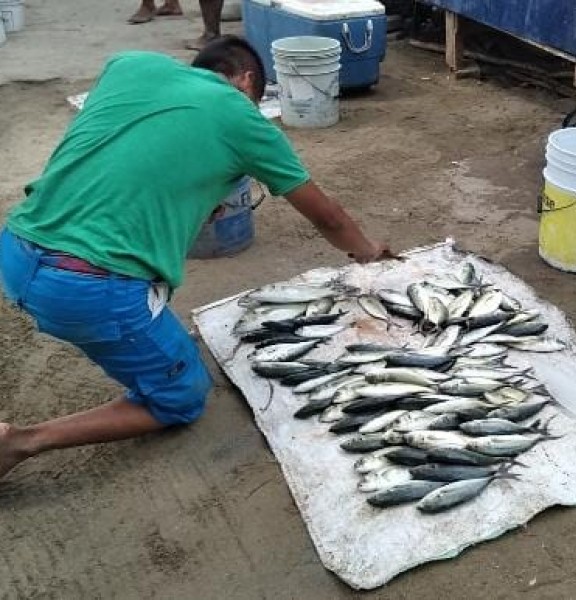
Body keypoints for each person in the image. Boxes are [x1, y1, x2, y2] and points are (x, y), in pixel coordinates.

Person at [0, 36, 390, 480]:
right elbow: (329, 217)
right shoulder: (241, 115)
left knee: (144, 306)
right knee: (183, 397)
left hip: (17, 248)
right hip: (86, 287)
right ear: (246, 81)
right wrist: (369, 252)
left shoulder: (130, 62)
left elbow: (140, 149)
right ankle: (22, 441)